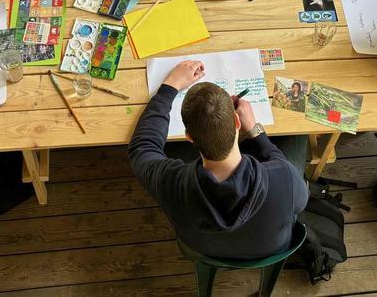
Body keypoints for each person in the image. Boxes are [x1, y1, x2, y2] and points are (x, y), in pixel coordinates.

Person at [129, 60, 309, 259]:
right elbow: (300, 201)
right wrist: (256, 131)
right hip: (268, 249)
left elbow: (142, 148)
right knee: (298, 139)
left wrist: (170, 86)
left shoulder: (172, 183)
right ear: (237, 121)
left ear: (189, 137)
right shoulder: (284, 177)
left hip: (203, 249)